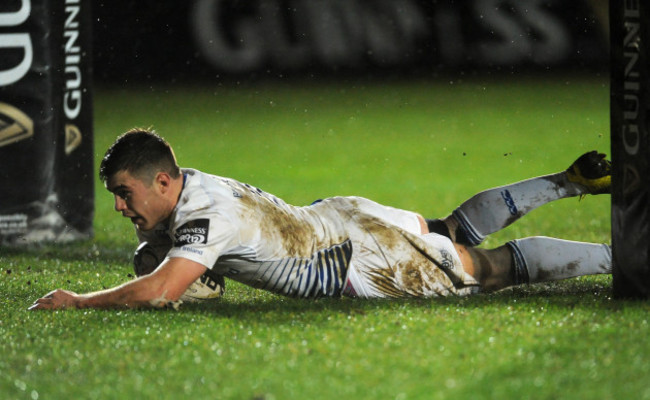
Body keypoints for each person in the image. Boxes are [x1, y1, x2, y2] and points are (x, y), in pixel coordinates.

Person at [29, 128, 612, 310]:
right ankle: (568, 181)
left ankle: (622, 259)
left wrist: (79, 301)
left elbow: (160, 290)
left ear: (161, 181)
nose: (119, 207)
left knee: (483, 269)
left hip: (359, 258)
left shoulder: (206, 217)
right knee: (450, 230)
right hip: (341, 214)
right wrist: (155, 242)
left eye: (125, 194)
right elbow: (169, 249)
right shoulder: (192, 184)